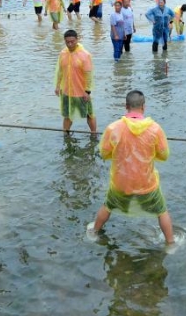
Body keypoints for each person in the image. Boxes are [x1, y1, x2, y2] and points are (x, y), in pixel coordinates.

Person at [89, 90, 174, 245]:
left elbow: (104, 153)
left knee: (108, 206)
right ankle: (170, 244)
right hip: (147, 184)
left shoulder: (113, 128)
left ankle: (94, 232)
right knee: (162, 211)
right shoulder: (155, 129)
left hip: (121, 184)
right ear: (143, 107)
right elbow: (164, 155)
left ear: (126, 106)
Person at [54, 29, 97, 136]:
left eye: (72, 41)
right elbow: (60, 71)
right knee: (67, 115)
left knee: (89, 114)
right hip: (67, 92)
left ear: (77, 40)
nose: (70, 44)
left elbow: (89, 75)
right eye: (67, 42)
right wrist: (58, 86)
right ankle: (66, 135)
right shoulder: (63, 53)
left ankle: (94, 134)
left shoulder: (85, 55)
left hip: (81, 92)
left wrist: (87, 91)